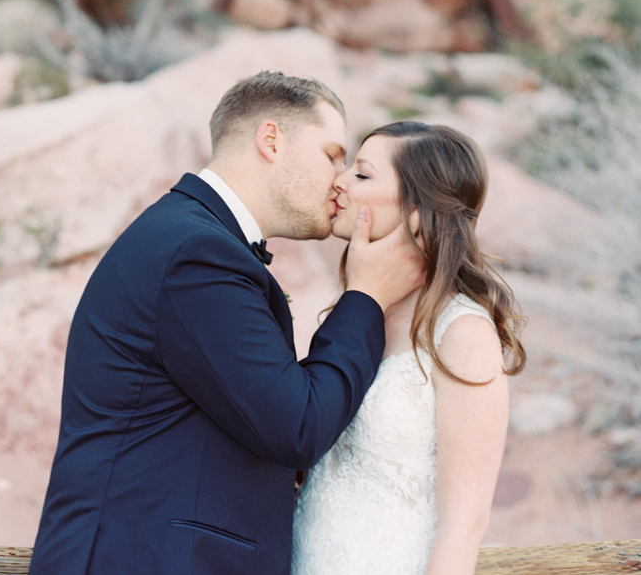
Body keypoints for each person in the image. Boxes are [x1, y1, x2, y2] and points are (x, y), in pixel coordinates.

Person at [29, 73, 425, 575]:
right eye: (331, 155)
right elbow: (296, 426)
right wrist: (366, 298)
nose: (341, 180)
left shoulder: (193, 238)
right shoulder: (198, 255)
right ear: (271, 140)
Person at [292, 121, 526, 575]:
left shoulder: (462, 332)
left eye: (361, 174)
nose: (338, 180)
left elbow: (464, 523)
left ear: (418, 208)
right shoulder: (357, 313)